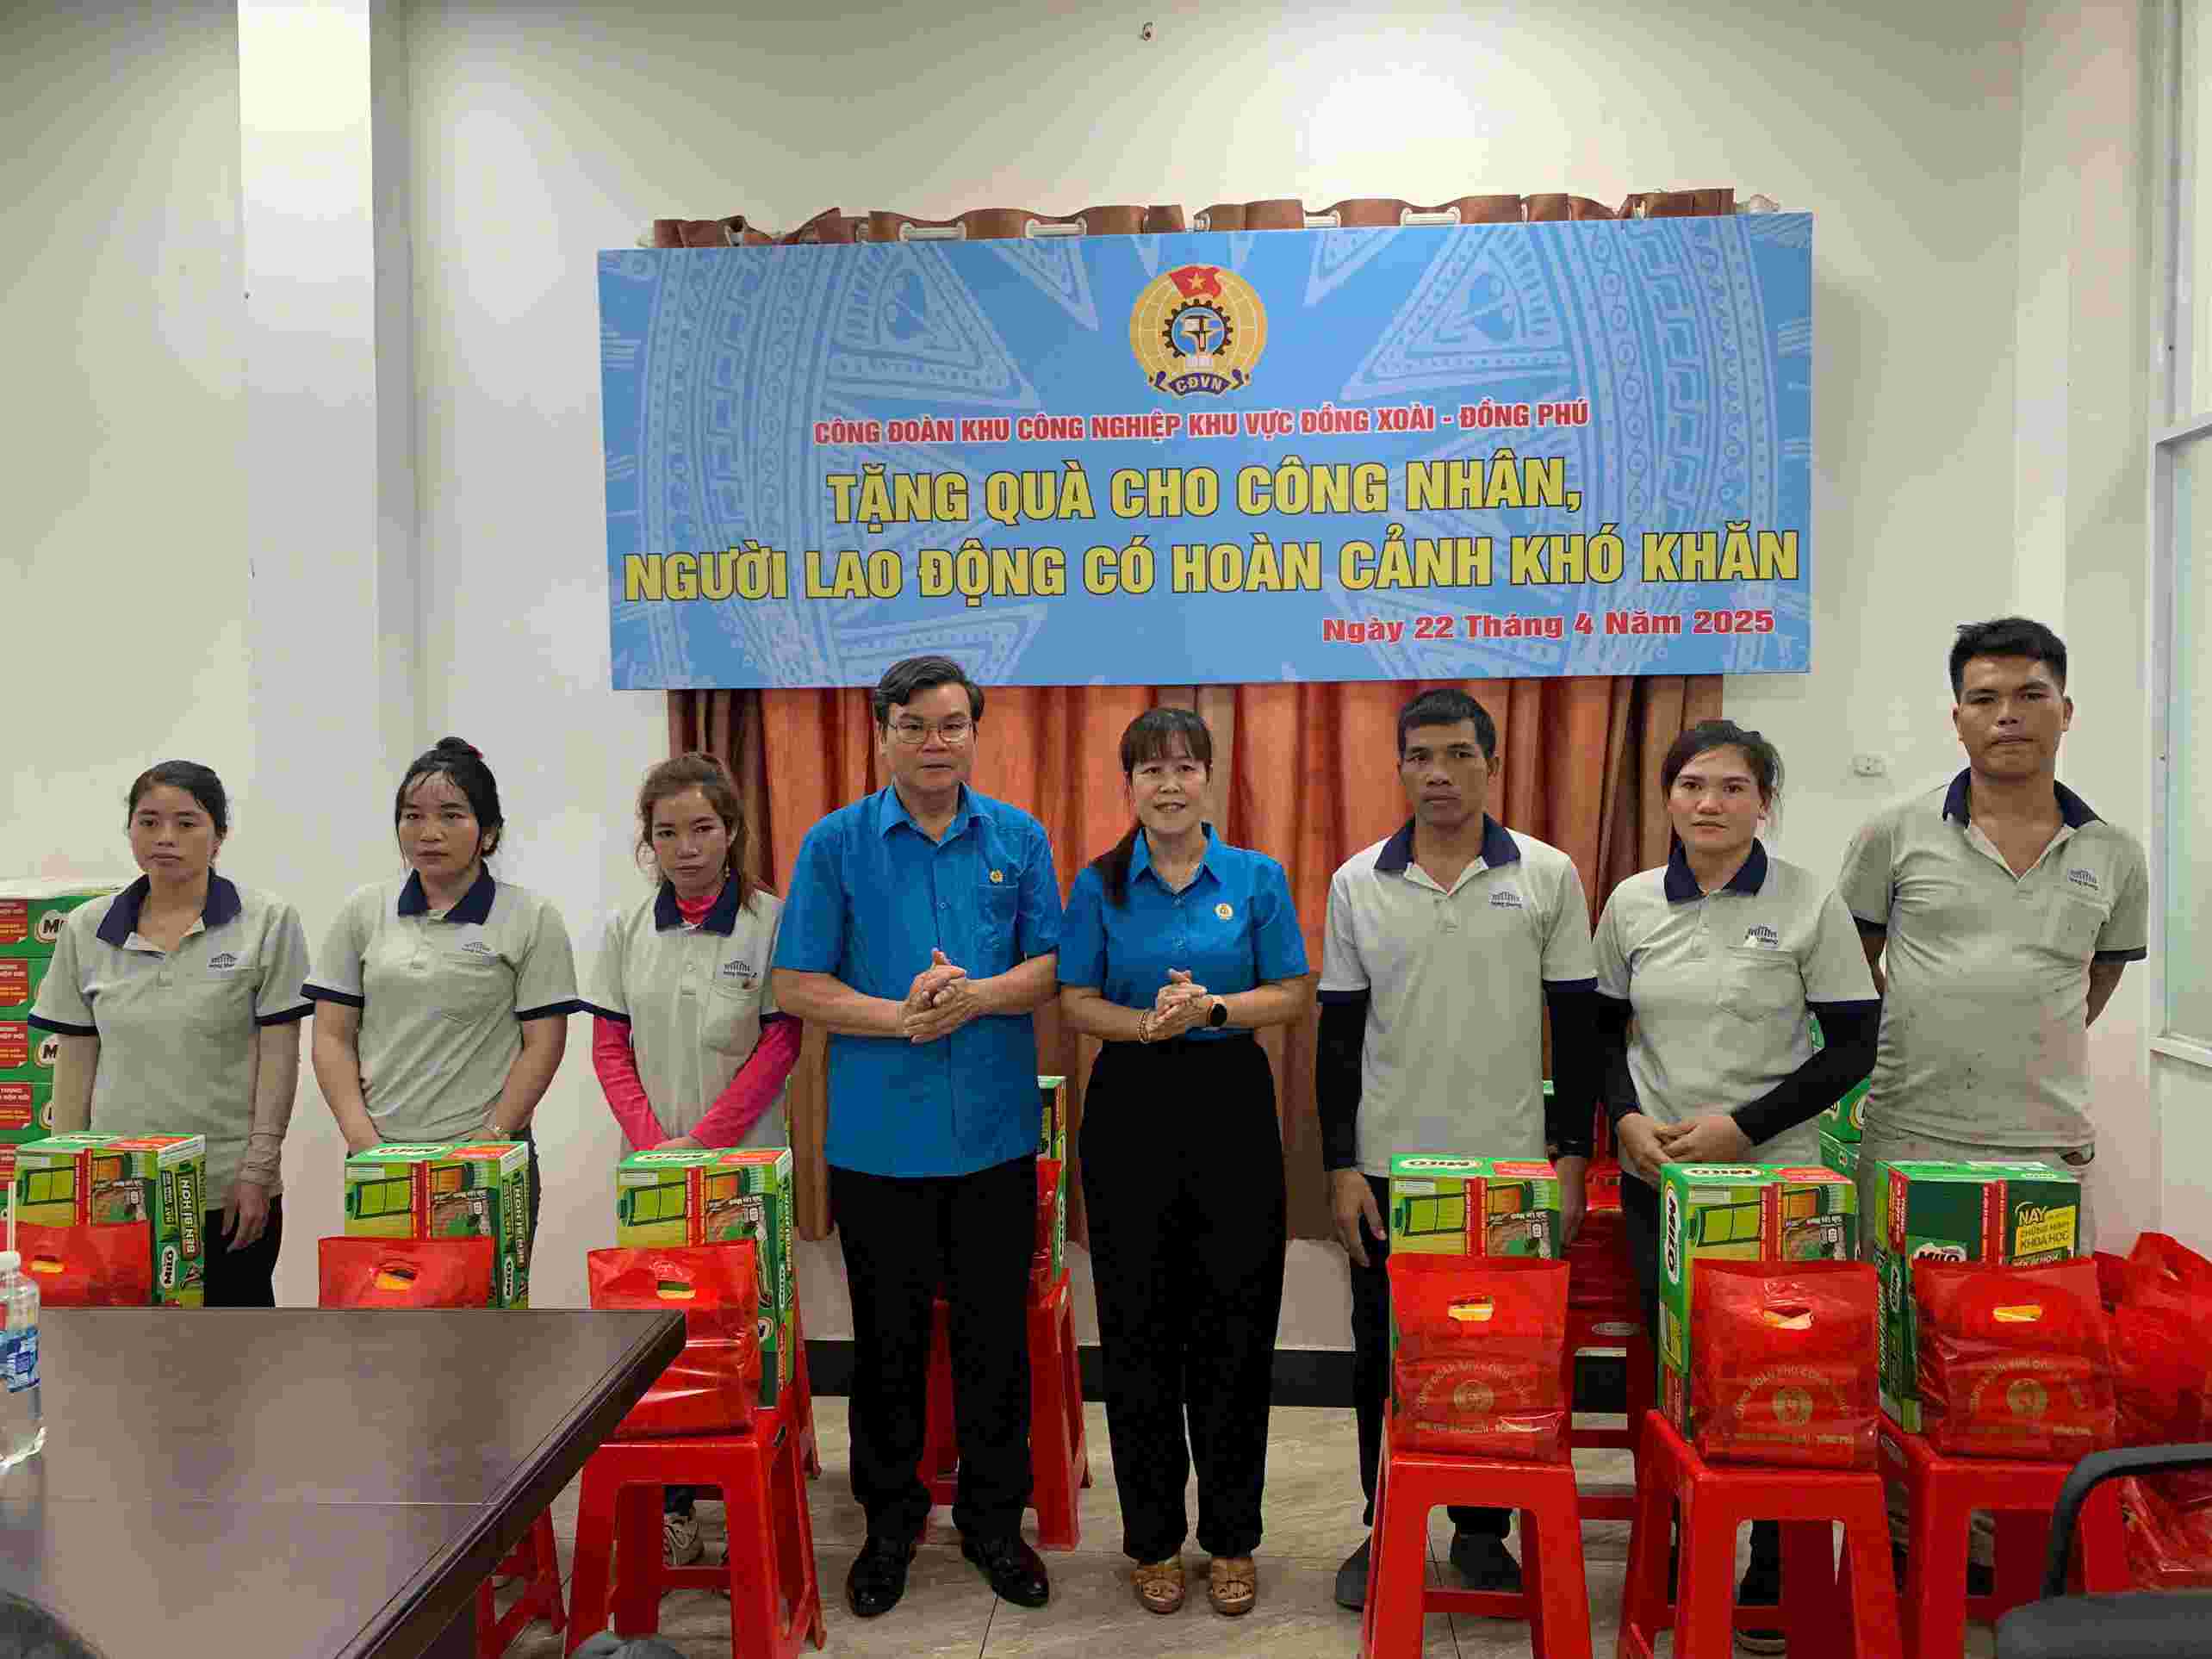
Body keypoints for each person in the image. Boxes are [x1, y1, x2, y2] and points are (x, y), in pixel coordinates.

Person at [770, 656, 1061, 1619]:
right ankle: (888, 1525)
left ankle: (992, 1523)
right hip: (878, 1142)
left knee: (994, 1344)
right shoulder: (835, 845)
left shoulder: (1017, 838)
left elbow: (1052, 964)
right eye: (914, 725)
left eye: (951, 724)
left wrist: (974, 996)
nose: (935, 742)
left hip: (992, 1134)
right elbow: (798, 984)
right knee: (888, 1346)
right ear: (882, 734)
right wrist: (902, 1016)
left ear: (976, 732)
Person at [1593, 719, 1879, 1655]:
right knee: (1676, 1368)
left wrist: (1743, 1129)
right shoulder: (1634, 903)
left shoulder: (1807, 903)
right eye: (1691, 787)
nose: (1708, 805)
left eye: (1731, 788)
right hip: (1663, 1180)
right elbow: (1599, 1034)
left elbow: (1853, 1045)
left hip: (1775, 1179)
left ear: (1765, 803)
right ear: (1668, 799)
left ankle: (1771, 1562)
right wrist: (1629, 1123)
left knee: (1774, 1365)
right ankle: (1674, 1540)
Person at [1318, 687, 1603, 1612]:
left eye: (1458, 755)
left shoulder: (1550, 874)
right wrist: (1341, 1165)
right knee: (1384, 1355)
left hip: (1510, 1173)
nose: (1438, 774)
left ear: (1490, 763)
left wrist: (1567, 1162)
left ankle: (1484, 1531)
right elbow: (1337, 1038)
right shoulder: (1359, 880)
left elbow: (1578, 1030)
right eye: (1420, 757)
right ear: (1399, 768)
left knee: (1498, 1356)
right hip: (1392, 1170)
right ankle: (1383, 1517)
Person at [1057, 707, 1312, 1619]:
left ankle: (1234, 1537)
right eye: (1149, 771)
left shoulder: (1255, 878)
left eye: (1184, 768)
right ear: (1127, 786)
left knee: (1237, 1333)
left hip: (1230, 1105)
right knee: (1138, 1334)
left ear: (1209, 776)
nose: (1168, 786)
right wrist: (1144, 1024)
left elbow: (1290, 993)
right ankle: (1154, 1540)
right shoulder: (1098, 884)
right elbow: (1075, 999)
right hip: (1128, 1106)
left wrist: (1209, 1013)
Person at [1838, 618, 2147, 1249]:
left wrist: (2024, 1024)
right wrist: (1919, 1018)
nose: (2008, 715)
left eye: (2031, 695)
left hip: (2049, 1143)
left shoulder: (2115, 853)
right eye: (1985, 699)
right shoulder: (1892, 833)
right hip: (1910, 1131)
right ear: (1958, 720)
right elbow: (1849, 966)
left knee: (2039, 1333)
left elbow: (2101, 975)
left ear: (2066, 712)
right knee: (1900, 1331)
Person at [584, 751, 805, 1568]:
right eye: (667, 833)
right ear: (649, 843)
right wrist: (653, 1146)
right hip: (652, 1168)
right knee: (661, 1328)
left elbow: (782, 1040)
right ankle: (675, 1502)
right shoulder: (624, 930)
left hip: (743, 1163)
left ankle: (758, 1480)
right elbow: (610, 1045)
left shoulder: (770, 921)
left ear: (733, 831)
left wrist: (706, 1143)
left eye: (702, 829)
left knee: (745, 1324)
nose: (686, 847)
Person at [28, 762, 312, 1308]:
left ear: (219, 836)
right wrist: (67, 1174)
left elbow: (280, 1058)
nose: (165, 838)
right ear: (130, 830)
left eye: (187, 823)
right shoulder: (87, 928)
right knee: (119, 1360)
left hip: (226, 1190)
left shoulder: (267, 922)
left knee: (236, 1357)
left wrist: (257, 1172)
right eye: (148, 821)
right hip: (118, 1190)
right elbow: (74, 1067)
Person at [304, 737, 578, 1253]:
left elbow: (544, 1045)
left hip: (487, 1159)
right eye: (412, 817)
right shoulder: (363, 911)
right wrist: (364, 1143)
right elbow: (332, 1036)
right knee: (388, 1318)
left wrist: (491, 1139)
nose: (429, 834)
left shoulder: (531, 918)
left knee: (487, 1324)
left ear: (489, 832)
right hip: (382, 1157)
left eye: (451, 816)